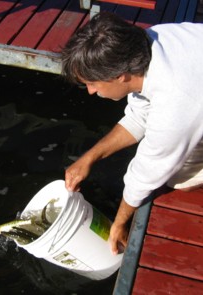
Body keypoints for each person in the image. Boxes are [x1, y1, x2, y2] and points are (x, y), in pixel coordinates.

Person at [60, 12, 203, 255]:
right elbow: (139, 117)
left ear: (120, 76)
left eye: (92, 83)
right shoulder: (147, 44)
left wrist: (119, 223)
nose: (91, 92)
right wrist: (89, 158)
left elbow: (149, 171)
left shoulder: (176, 100)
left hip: (190, 101)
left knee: (179, 182)